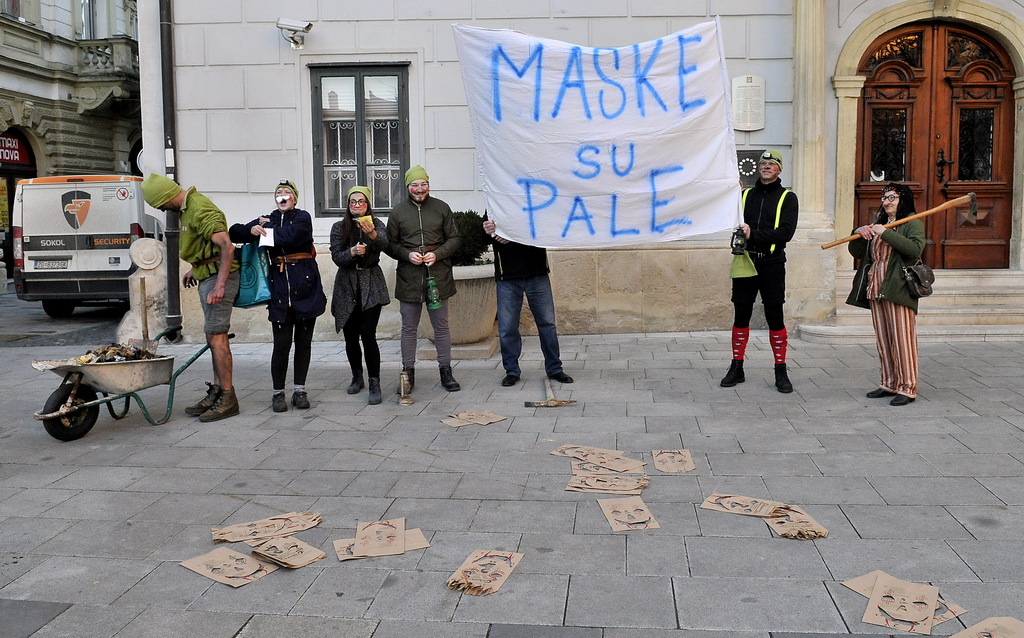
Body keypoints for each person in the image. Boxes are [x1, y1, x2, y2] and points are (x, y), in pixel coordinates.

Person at [141, 173, 241, 422]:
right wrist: (194, 268)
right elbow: (206, 247)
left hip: (219, 278)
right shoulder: (187, 209)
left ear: (164, 197)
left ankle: (229, 398)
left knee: (218, 338)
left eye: (158, 204)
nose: (161, 209)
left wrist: (219, 286)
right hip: (207, 274)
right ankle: (218, 391)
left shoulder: (198, 207)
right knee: (212, 336)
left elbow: (226, 246)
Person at [229, 180, 326, 413]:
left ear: (294, 198)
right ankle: (278, 393)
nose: (283, 196)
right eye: (279, 193)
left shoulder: (303, 217)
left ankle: (300, 390)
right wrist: (251, 230)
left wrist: (264, 232)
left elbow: (292, 237)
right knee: (281, 344)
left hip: (305, 285)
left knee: (303, 343)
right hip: (279, 287)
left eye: (287, 193)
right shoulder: (267, 218)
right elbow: (234, 231)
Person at [720, 149, 799, 393]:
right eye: (763, 163)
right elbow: (730, 218)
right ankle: (737, 366)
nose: (765, 166)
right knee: (741, 315)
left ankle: (781, 370)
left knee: (774, 316)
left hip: (772, 264)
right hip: (746, 262)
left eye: (771, 164)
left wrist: (755, 234)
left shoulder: (788, 198)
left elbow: (786, 233)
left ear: (779, 170)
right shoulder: (745, 196)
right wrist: (731, 191)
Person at [846, 182, 926, 407]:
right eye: (885, 197)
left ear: (904, 200)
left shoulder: (912, 223)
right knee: (884, 339)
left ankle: (907, 387)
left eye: (893, 197)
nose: (887, 201)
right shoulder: (880, 223)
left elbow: (914, 250)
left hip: (898, 286)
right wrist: (858, 234)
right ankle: (889, 383)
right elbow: (857, 252)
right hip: (876, 285)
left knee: (903, 339)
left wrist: (886, 234)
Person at [386, 165, 462, 393]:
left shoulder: (441, 208)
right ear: (408, 187)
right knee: (409, 327)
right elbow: (389, 244)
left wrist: (437, 254)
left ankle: (446, 371)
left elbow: (455, 238)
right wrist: (406, 255)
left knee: (441, 326)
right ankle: (407, 372)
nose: (420, 189)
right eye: (415, 185)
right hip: (409, 276)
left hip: (438, 274)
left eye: (423, 184)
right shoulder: (398, 211)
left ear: (428, 184)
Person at [481, 215, 573, 387]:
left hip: (537, 272)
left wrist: (511, 236)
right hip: (507, 275)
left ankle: (554, 368)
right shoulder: (496, 202)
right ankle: (512, 371)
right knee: (507, 327)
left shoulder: (536, 199)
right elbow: (483, 237)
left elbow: (547, 227)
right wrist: (488, 231)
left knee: (547, 323)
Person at [330, 186, 391, 405]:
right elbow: (337, 257)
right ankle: (357, 376)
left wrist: (372, 233)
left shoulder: (377, 224)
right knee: (350, 335)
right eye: (353, 202)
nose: (357, 205)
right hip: (347, 284)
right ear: (348, 205)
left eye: (361, 201)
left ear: (368, 204)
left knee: (368, 334)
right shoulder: (339, 227)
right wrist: (352, 252)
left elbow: (385, 245)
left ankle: (375, 382)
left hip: (371, 282)